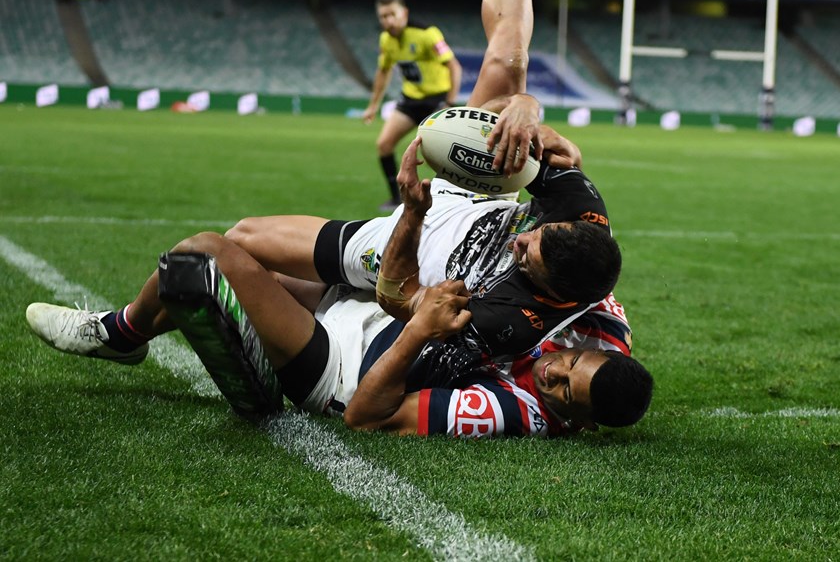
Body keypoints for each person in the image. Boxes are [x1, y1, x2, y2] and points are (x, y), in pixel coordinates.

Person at [225, 0, 620, 361]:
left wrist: (412, 218)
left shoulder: (512, 320)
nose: (520, 242)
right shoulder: (583, 217)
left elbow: (405, 300)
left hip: (403, 244)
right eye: (536, 238)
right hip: (480, 195)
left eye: (529, 257)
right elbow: (546, 148)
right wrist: (527, 110)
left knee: (242, 242)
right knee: (508, 59)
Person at [25, 231, 651, 437]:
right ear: (595, 347)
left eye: (565, 393)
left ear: (576, 419)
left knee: (205, 254)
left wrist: (419, 332)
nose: (552, 375)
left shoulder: (513, 411)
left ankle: (119, 334)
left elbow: (369, 414)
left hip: (342, 367)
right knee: (246, 251)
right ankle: (149, 339)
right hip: (366, 312)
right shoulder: (598, 319)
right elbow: (583, 253)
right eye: (571, 367)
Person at [362, 0, 463, 211]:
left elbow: (454, 66)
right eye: (382, 16)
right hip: (410, 100)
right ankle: (395, 198)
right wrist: (373, 105)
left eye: (392, 14)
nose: (387, 21)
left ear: (404, 13)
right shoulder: (385, 40)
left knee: (445, 156)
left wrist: (450, 102)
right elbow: (383, 71)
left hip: (437, 102)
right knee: (384, 145)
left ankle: (453, 204)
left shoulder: (428, 34)